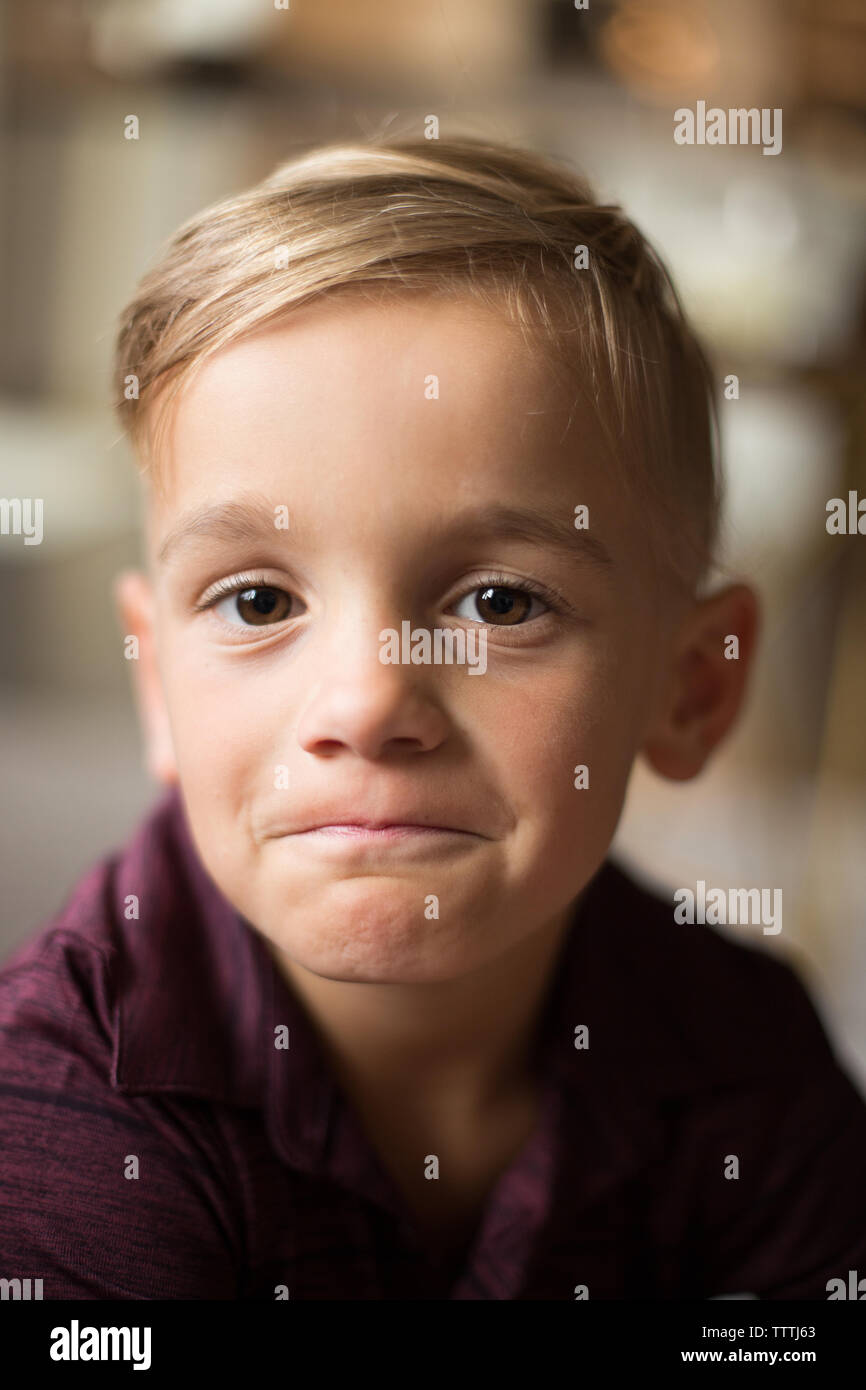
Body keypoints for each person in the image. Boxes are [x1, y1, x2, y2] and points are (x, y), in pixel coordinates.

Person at [1, 136, 864, 1300]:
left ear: (691, 685)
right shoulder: (62, 1122)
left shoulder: (744, 1064)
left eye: (499, 602)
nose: (365, 703)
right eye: (258, 600)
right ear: (156, 681)